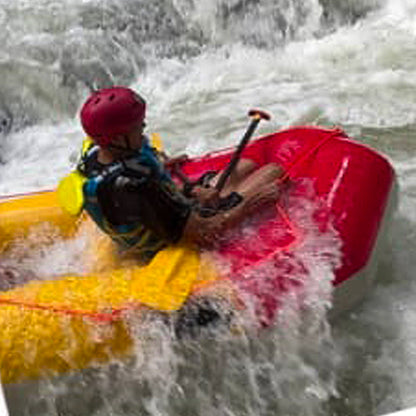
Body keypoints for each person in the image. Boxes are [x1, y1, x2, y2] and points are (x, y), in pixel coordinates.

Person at [76, 86, 284, 263]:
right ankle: (241, 195)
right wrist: (248, 206)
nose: (144, 127)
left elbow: (142, 183)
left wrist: (189, 189)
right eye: (137, 126)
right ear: (118, 139)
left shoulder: (94, 155)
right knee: (273, 172)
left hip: (160, 210)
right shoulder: (137, 186)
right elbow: (205, 233)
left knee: (245, 166)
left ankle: (223, 193)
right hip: (170, 238)